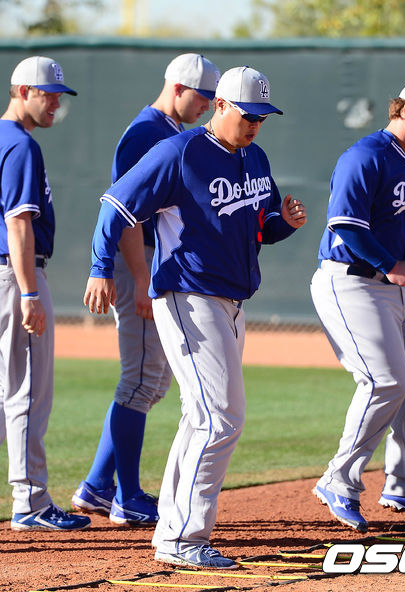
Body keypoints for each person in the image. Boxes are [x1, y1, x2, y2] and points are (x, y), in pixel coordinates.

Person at [82, 66, 307, 567]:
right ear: (220, 105)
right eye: (247, 115)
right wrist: (100, 269)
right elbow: (114, 206)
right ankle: (183, 539)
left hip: (232, 302)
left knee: (202, 417)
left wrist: (285, 222)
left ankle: (173, 529)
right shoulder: (178, 153)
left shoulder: (255, 157)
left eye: (262, 117)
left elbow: (262, 225)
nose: (255, 125)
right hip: (188, 297)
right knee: (222, 417)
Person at [71, 53, 220, 526]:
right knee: (139, 380)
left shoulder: (168, 129)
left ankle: (98, 486)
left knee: (151, 383)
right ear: (177, 88)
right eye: (203, 97)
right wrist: (140, 279)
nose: (208, 106)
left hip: (150, 263)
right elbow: (126, 214)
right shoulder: (146, 133)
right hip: (136, 262)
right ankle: (127, 496)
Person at [310, 77, 405, 533]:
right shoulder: (364, 156)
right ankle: (338, 480)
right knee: (385, 381)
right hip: (350, 282)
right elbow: (345, 224)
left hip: (390, 286)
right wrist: (390, 264)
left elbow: (399, 223)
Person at [0, 56, 90, 531]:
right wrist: (29, 293)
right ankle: (31, 501)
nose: (55, 102)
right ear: (21, 92)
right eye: (47, 94)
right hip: (17, 275)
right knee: (27, 390)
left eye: (59, 95)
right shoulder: (20, 144)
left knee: (6, 390)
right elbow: (18, 223)